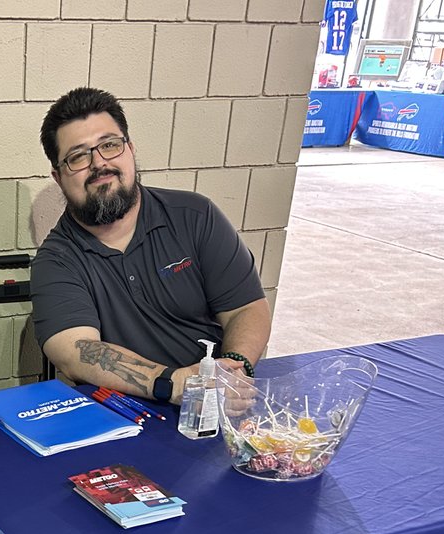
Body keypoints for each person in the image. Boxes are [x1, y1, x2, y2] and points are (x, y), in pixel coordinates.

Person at [31, 87, 272, 405]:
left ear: (130, 149)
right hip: (126, 413)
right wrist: (174, 384)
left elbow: (246, 308)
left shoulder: (195, 216)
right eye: (78, 156)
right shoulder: (56, 261)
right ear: (59, 177)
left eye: (110, 145)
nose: (99, 163)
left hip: (219, 402)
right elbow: (77, 351)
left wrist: (232, 371)